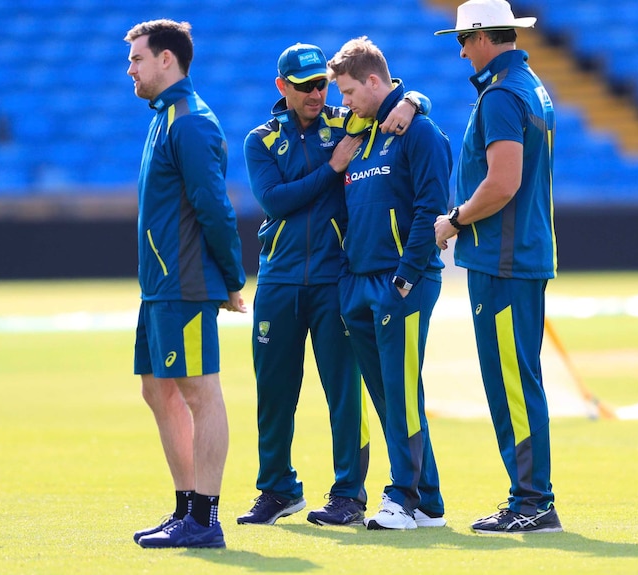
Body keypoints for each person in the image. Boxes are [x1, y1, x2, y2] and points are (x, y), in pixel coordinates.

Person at [238, 43, 430, 527]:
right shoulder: (260, 140)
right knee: (274, 392)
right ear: (283, 87)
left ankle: (348, 493)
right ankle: (277, 488)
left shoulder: (348, 122)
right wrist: (331, 169)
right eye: (305, 87)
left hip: (332, 280)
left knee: (345, 392)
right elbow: (276, 201)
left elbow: (392, 103)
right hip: (279, 278)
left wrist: (416, 100)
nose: (317, 94)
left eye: (321, 84)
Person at [433, 0, 563, 534]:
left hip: (503, 259)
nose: (461, 50)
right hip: (521, 254)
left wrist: (455, 220)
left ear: (486, 36)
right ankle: (530, 497)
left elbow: (503, 182)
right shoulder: (528, 85)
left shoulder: (502, 96)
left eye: (465, 39)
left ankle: (532, 500)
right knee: (519, 377)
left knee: (511, 380)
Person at [125, 19, 246, 548]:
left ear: (167, 59)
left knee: (200, 391)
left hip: (186, 282)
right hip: (159, 285)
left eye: (136, 59)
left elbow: (215, 207)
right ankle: (184, 509)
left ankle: (205, 517)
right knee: (158, 390)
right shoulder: (164, 117)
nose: (130, 68)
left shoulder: (191, 122)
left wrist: (232, 276)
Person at [327, 36, 452, 530]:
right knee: (388, 398)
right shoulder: (361, 130)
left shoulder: (419, 133)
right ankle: (428, 501)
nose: (344, 102)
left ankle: (400, 497)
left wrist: (406, 276)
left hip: (401, 281)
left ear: (375, 81)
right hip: (356, 281)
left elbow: (430, 210)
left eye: (350, 91)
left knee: (401, 394)